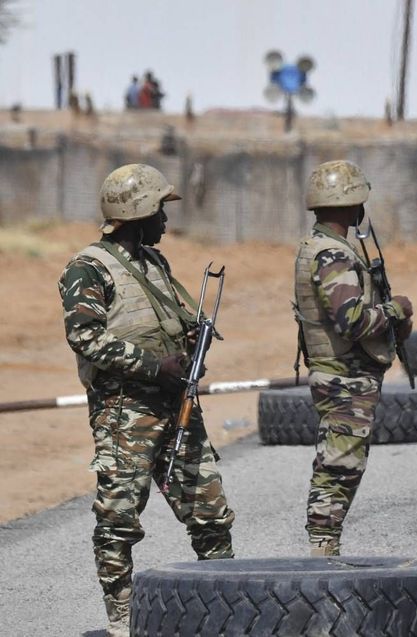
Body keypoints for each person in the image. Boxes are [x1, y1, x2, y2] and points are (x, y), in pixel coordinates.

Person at [58, 164, 235, 637]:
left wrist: (191, 336)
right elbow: (85, 337)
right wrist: (156, 366)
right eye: (160, 210)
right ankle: (121, 616)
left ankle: (225, 606)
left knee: (210, 512)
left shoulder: (155, 264)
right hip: (125, 412)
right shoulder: (88, 267)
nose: (166, 221)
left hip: (176, 407)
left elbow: (166, 321)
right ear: (137, 212)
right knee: (119, 518)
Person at [293, 160, 414, 556]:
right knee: (338, 468)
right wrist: (396, 309)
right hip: (343, 377)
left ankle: (325, 547)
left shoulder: (325, 246)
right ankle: (322, 552)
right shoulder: (333, 254)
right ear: (352, 203)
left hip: (341, 373)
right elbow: (353, 320)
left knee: (342, 465)